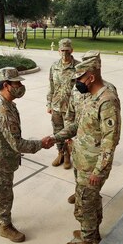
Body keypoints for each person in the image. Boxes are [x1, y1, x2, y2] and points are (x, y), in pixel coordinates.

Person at [49, 56, 121, 244]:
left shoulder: (107, 101)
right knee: (89, 200)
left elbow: (110, 140)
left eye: (79, 78)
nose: (76, 83)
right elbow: (76, 125)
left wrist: (99, 170)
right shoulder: (89, 96)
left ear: (90, 77)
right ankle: (92, 233)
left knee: (86, 202)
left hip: (93, 165)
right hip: (82, 161)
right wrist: (55, 138)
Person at [0, 67, 53, 243]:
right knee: (4, 194)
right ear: (6, 85)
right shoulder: (3, 111)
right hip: (1, 161)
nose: (20, 86)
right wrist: (41, 144)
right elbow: (17, 144)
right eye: (17, 83)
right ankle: (5, 226)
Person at [65, 51, 119, 204]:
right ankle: (80, 192)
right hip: (79, 144)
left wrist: (99, 169)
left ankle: (85, 198)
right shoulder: (79, 87)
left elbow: (110, 136)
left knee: (89, 197)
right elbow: (73, 113)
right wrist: (69, 135)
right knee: (80, 180)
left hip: (93, 153)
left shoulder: (106, 93)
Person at [47, 38, 80, 169]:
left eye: (67, 50)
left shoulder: (78, 67)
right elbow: (51, 86)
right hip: (56, 106)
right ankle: (60, 153)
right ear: (58, 51)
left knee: (68, 133)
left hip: (71, 109)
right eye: (62, 50)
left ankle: (67, 156)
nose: (64, 53)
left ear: (72, 50)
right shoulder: (54, 66)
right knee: (57, 131)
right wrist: (49, 104)